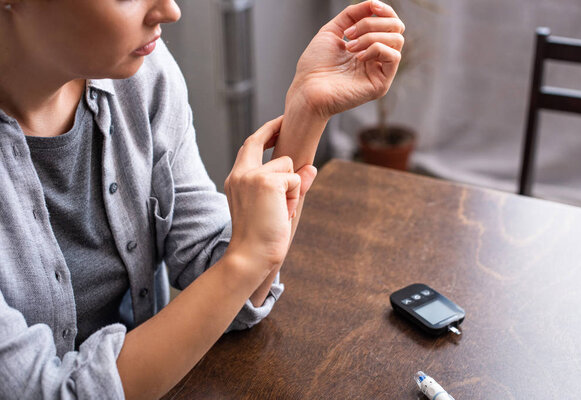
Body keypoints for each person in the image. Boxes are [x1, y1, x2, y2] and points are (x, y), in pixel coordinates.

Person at [0, 0, 404, 398]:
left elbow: (232, 290)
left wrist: (307, 110)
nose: (170, 10)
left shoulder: (145, 77)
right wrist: (244, 260)